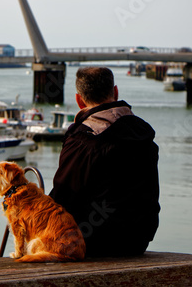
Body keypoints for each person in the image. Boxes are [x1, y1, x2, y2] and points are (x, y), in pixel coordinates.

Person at [49, 66, 160, 257]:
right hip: (138, 240)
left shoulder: (84, 139)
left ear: (79, 100)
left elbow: (63, 195)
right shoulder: (143, 134)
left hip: (92, 243)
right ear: (115, 92)